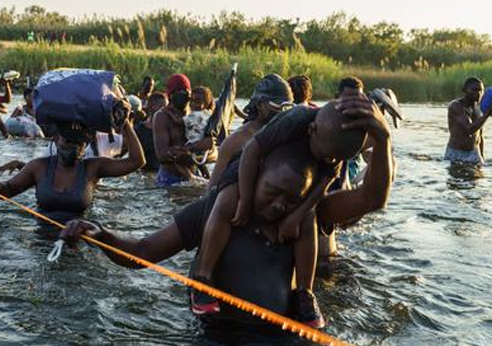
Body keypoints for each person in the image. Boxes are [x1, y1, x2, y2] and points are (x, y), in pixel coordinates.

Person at [59, 94, 391, 333]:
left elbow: (371, 198)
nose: (279, 206)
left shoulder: (307, 216)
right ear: (257, 174)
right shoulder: (216, 208)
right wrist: (99, 234)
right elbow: (143, 252)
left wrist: (382, 138)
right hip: (217, 335)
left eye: (292, 199)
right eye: (273, 192)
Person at [192, 93, 368, 326]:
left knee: (308, 218)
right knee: (226, 202)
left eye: (330, 157)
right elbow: (252, 151)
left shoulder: (335, 147)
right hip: (254, 167)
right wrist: (245, 200)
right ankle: (203, 278)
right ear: (312, 130)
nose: (324, 158)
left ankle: (304, 293)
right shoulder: (295, 119)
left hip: (297, 181)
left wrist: (296, 216)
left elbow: (325, 181)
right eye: (322, 152)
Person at [0, 119, 145, 223]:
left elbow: (137, 161)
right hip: (42, 240)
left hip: (80, 237)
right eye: (67, 141)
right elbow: (8, 190)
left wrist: (126, 125)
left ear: (84, 146)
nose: (71, 147)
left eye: (77, 143)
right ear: (56, 140)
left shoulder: (93, 168)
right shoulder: (38, 167)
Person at [207, 74, 294, 188]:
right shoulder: (236, 141)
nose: (282, 112)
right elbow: (213, 189)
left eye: (287, 107)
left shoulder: (286, 134)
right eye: (277, 105)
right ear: (259, 105)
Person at [153, 74, 211, 186]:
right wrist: (192, 155)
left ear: (190, 94)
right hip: (170, 179)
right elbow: (162, 155)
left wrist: (188, 154)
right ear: (170, 95)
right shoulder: (162, 117)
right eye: (177, 91)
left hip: (194, 176)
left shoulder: (197, 114)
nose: (182, 94)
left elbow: (213, 150)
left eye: (185, 90)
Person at [445, 77, 492, 165]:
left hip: (474, 153)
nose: (478, 93)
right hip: (457, 153)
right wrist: (488, 113)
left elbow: (479, 135)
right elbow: (469, 129)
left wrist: (482, 157)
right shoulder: (456, 106)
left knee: (478, 178)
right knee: (457, 178)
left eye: (480, 91)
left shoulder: (478, 108)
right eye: (474, 90)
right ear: (464, 90)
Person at [135, 92, 168, 172]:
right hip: (144, 174)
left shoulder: (168, 128)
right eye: (161, 106)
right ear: (150, 107)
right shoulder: (139, 129)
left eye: (166, 106)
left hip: (162, 173)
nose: (165, 110)